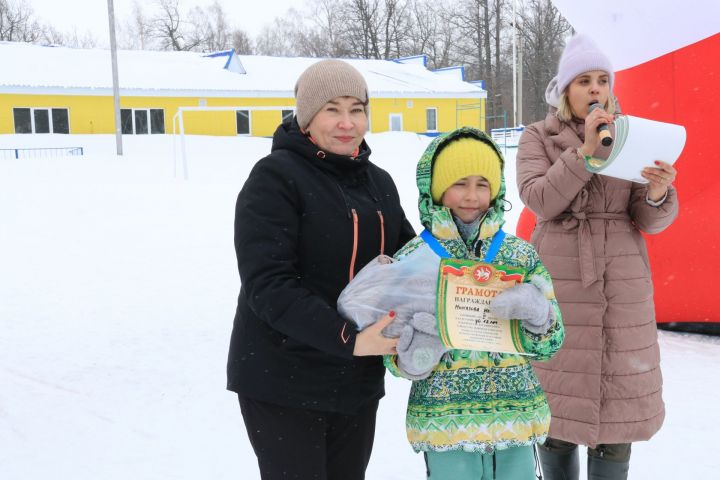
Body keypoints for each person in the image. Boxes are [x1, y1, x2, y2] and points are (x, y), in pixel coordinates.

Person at [226, 59, 416, 480]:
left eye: (356, 108)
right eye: (332, 108)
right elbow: (269, 285)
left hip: (355, 380)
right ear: (307, 116)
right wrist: (348, 338)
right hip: (285, 377)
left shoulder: (379, 182)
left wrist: (467, 275)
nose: (347, 122)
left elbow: (409, 261)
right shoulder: (275, 178)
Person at [516, 34, 679, 479]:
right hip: (561, 277)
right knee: (558, 401)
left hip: (622, 281)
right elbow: (539, 200)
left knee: (618, 409)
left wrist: (660, 191)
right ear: (564, 89)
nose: (594, 89)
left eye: (602, 80)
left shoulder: (630, 134)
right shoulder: (538, 136)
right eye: (584, 80)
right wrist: (584, 154)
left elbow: (647, 219)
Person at [382, 127, 565, 480]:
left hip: (514, 417)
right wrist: (417, 350)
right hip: (446, 423)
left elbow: (552, 342)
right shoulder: (412, 260)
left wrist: (540, 316)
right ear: (436, 189)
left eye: (483, 184)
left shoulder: (518, 255)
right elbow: (391, 356)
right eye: (459, 183)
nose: (471, 195)